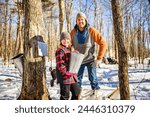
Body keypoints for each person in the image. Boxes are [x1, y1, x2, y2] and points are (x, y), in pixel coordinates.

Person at [70, 12, 107, 95]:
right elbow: (68, 44)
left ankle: (97, 95)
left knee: (93, 79)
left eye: (82, 19)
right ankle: (77, 96)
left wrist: (99, 58)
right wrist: (71, 49)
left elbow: (103, 43)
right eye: (78, 20)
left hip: (91, 60)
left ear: (85, 20)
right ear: (76, 21)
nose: (80, 21)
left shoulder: (91, 31)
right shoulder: (72, 32)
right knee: (77, 80)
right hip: (78, 61)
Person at [55, 32, 81, 100]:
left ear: (70, 40)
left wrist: (76, 55)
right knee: (65, 95)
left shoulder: (71, 50)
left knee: (77, 92)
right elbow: (60, 65)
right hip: (65, 77)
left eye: (67, 39)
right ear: (61, 41)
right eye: (63, 39)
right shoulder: (60, 51)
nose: (66, 41)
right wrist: (66, 73)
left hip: (72, 76)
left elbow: (74, 61)